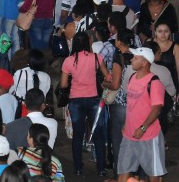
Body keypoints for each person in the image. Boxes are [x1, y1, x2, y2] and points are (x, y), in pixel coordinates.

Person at [60, 31, 109, 176]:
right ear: (88, 43)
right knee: (98, 135)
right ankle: (101, 169)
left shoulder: (69, 60)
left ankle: (78, 168)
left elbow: (63, 84)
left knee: (78, 135)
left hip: (76, 101)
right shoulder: (97, 58)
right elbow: (107, 76)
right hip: (94, 99)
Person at [117, 47, 167, 182]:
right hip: (129, 135)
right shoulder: (132, 77)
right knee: (123, 172)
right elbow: (131, 106)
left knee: (153, 174)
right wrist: (126, 125)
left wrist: (143, 128)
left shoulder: (154, 83)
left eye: (135, 58)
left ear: (144, 62)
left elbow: (156, 109)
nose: (131, 60)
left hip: (148, 136)